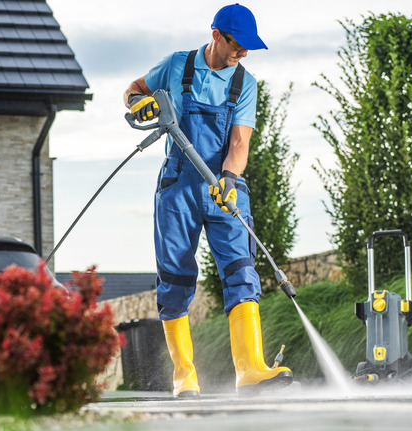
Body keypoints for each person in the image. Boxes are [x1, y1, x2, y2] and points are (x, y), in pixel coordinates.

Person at [122, 3, 293, 397]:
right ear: (216, 35)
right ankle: (184, 377)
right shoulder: (176, 65)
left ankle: (250, 371)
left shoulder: (244, 83)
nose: (243, 53)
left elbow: (240, 143)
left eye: (248, 48)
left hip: (224, 189)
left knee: (241, 273)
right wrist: (135, 103)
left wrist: (229, 178)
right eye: (237, 44)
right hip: (178, 187)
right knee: (175, 279)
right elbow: (134, 89)